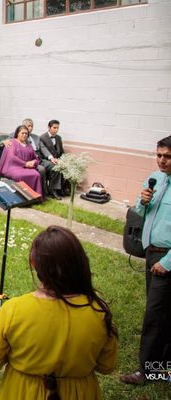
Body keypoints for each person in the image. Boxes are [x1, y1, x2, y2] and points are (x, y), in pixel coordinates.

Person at [0, 226, 118, 399]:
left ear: (33, 262)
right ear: (80, 262)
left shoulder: (13, 309)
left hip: (22, 392)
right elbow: (107, 366)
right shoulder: (99, 312)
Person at [120, 135, 171, 386]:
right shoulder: (156, 179)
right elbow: (140, 213)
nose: (161, 161)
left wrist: (168, 262)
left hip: (167, 258)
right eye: (159, 155)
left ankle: (146, 371)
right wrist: (143, 201)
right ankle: (163, 369)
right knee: (162, 313)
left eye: (167, 156)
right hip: (152, 252)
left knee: (154, 315)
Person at [0, 125, 43, 196]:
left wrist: (33, 162)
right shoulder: (12, 142)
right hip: (12, 167)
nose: (24, 135)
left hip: (27, 167)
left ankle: (34, 197)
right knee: (20, 175)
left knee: (36, 174)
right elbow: (12, 157)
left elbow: (36, 158)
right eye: (22, 133)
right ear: (17, 133)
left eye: (26, 133)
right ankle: (21, 198)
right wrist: (25, 163)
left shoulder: (29, 145)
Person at [39, 119, 66, 198]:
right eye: (54, 128)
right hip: (45, 160)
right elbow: (44, 150)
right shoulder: (42, 137)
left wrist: (64, 159)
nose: (56, 130)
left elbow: (61, 151)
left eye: (57, 128)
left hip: (56, 159)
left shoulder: (58, 138)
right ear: (49, 127)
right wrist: (51, 158)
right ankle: (53, 190)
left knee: (66, 165)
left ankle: (62, 188)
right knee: (56, 167)